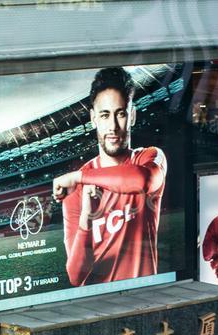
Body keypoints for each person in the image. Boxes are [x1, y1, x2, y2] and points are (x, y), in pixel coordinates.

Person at [53, 66, 167, 287]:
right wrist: (87, 218)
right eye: (105, 115)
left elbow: (143, 180)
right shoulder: (77, 189)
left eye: (120, 113)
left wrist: (80, 177)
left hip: (144, 299)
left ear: (132, 116)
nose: (113, 126)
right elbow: (76, 276)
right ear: (93, 119)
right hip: (96, 307)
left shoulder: (149, 157)